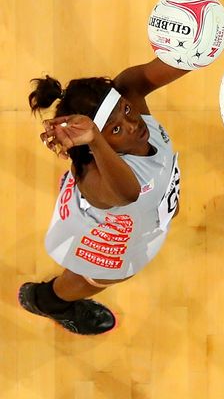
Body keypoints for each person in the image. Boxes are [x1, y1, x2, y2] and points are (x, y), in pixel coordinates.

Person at [18, 59, 189, 335]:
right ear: (97, 144)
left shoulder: (132, 103)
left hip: (141, 223)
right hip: (103, 240)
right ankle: (47, 301)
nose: (132, 124)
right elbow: (129, 193)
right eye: (116, 130)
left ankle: (52, 299)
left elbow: (168, 66)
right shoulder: (97, 181)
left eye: (126, 109)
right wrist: (95, 139)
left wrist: (199, 49)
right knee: (93, 278)